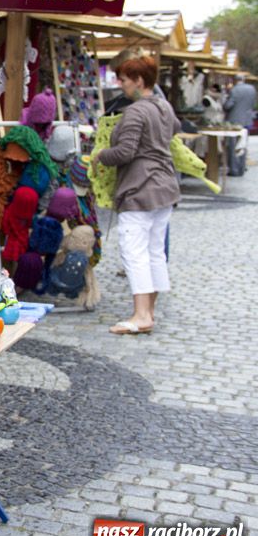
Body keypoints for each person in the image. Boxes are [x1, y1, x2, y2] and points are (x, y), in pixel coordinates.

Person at [92, 55, 180, 335]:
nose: (121, 86)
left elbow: (125, 152)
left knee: (135, 252)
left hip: (140, 189)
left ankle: (141, 315)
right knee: (154, 252)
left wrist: (100, 155)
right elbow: (175, 129)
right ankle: (148, 312)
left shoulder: (136, 111)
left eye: (124, 80)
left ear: (139, 81)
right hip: (164, 186)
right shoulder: (163, 106)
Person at [223, 74, 254, 175]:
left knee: (233, 146)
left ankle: (234, 169)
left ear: (235, 80)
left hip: (235, 121)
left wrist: (224, 104)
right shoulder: (252, 89)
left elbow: (229, 105)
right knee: (243, 144)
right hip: (247, 120)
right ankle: (241, 168)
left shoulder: (235, 90)